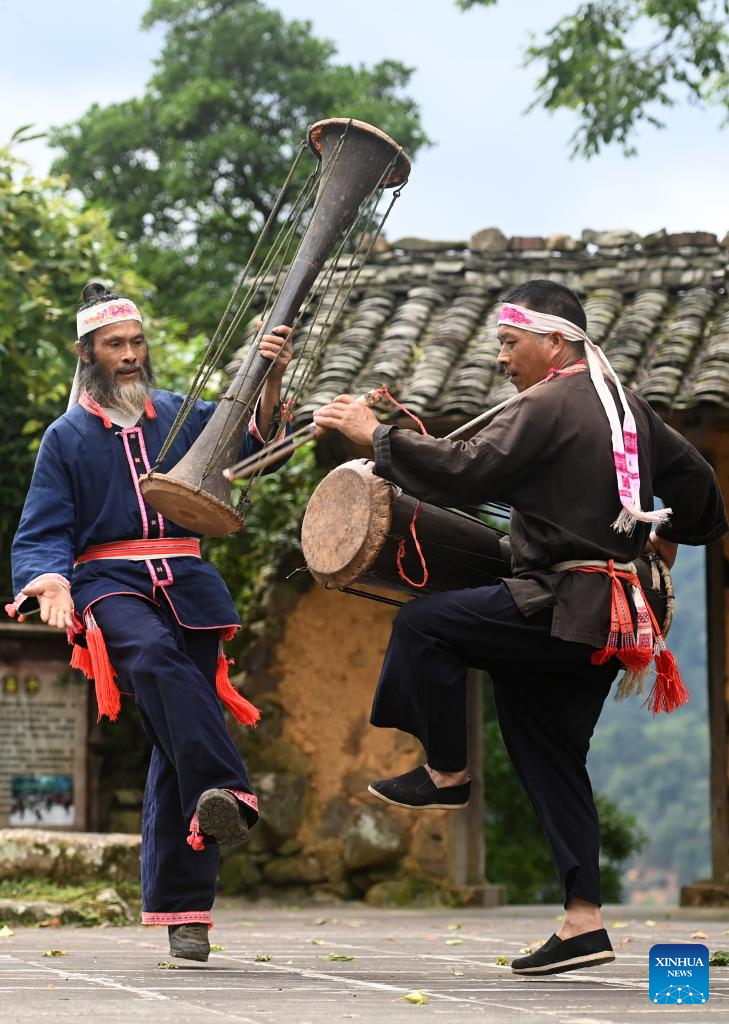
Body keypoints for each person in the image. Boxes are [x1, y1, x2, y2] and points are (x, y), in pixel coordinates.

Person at [313, 279, 727, 977]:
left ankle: (445, 772)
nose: (500, 359)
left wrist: (373, 435)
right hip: (612, 617)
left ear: (553, 341)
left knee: (424, 624)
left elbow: (462, 473)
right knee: (549, 758)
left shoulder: (551, 400)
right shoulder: (629, 408)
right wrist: (663, 544)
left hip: (562, 601)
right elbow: (705, 498)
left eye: (508, 343)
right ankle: (583, 922)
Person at [7, 281, 293, 963]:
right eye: (116, 346)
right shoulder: (66, 437)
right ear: (87, 354)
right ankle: (230, 790)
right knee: (156, 662)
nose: (131, 355)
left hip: (189, 584)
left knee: (176, 744)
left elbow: (251, 447)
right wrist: (49, 582)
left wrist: (271, 377)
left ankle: (185, 913)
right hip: (108, 585)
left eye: (137, 343)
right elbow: (44, 530)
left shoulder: (177, 413)